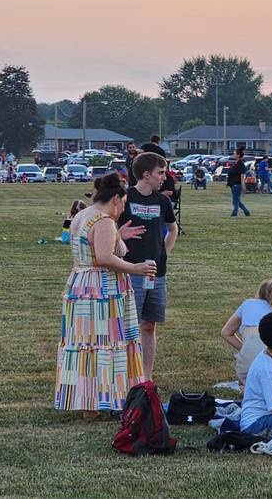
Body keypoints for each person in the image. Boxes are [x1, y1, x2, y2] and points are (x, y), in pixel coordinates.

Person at [54, 173, 154, 415]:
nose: (122, 209)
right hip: (103, 288)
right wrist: (136, 268)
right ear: (117, 199)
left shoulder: (82, 215)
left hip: (81, 284)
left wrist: (120, 235)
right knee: (106, 341)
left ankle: (88, 402)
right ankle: (105, 399)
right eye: (123, 203)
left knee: (85, 342)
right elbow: (105, 257)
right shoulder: (104, 220)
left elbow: (95, 248)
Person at [119, 152, 178, 382]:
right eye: (161, 172)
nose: (165, 177)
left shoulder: (162, 201)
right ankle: (126, 378)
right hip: (131, 271)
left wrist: (165, 253)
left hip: (156, 273)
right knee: (128, 327)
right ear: (146, 174)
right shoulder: (125, 197)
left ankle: (146, 378)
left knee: (149, 325)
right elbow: (106, 229)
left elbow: (172, 229)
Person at [221, 277, 272, 392]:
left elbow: (226, 333)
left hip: (249, 363)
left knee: (255, 385)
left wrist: (245, 348)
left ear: (260, 293)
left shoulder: (248, 304)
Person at [226, 148, 251, 217]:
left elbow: (242, 177)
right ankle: (246, 212)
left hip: (237, 185)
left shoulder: (241, 165)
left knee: (235, 201)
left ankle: (234, 214)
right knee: (237, 201)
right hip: (233, 185)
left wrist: (243, 187)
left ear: (238, 155)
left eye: (234, 154)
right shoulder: (236, 164)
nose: (233, 155)